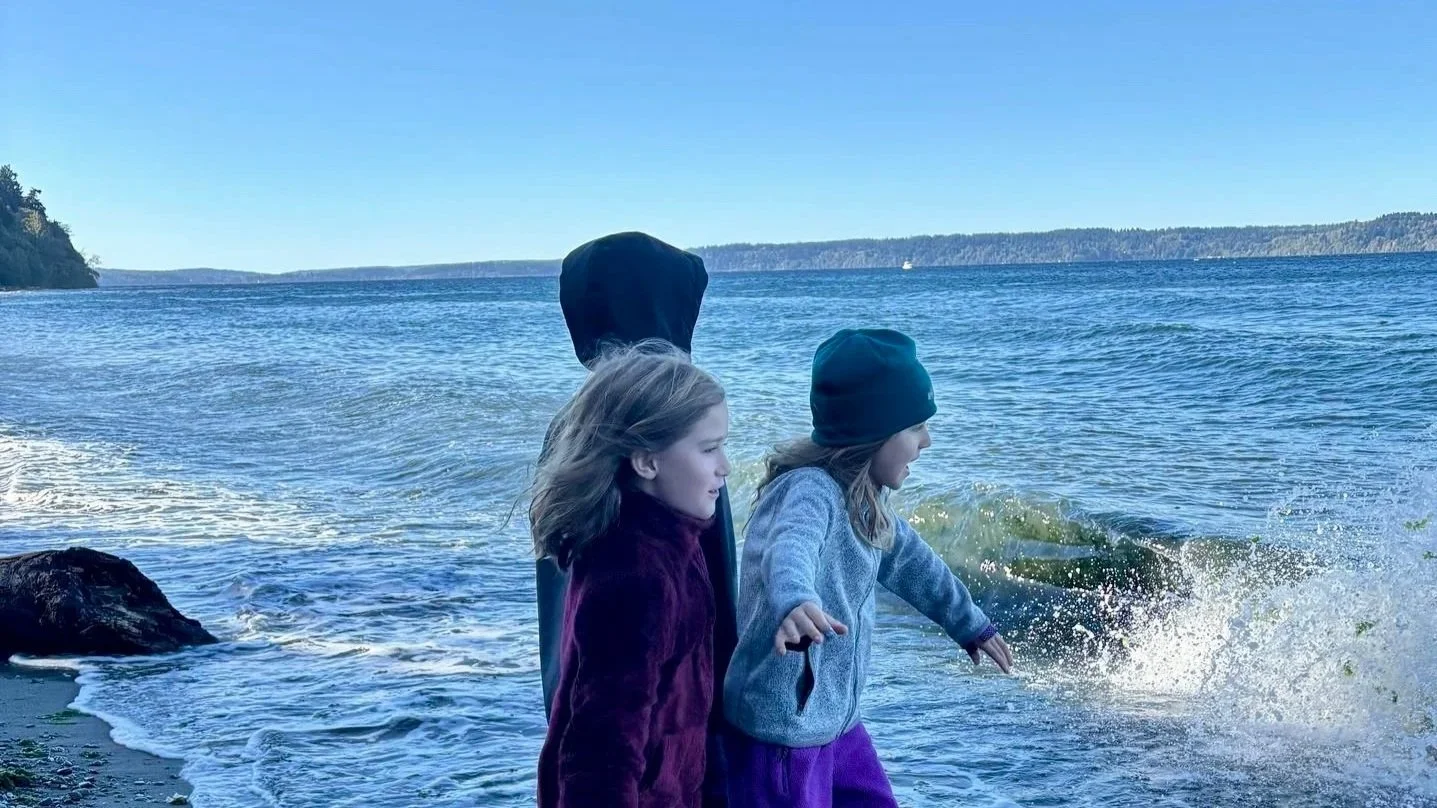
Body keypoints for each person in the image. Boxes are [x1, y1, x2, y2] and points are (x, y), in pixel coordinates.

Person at [722, 328, 1014, 807]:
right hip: (783, 732)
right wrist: (795, 600)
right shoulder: (810, 490)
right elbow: (789, 548)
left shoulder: (864, 500)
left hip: (837, 720)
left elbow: (915, 564)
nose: (928, 440)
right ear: (873, 431)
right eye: (916, 426)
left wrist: (970, 623)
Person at [535, 232, 739, 804]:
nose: (721, 465)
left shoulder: (580, 424)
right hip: (650, 731)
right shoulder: (673, 434)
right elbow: (713, 585)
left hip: (584, 692)